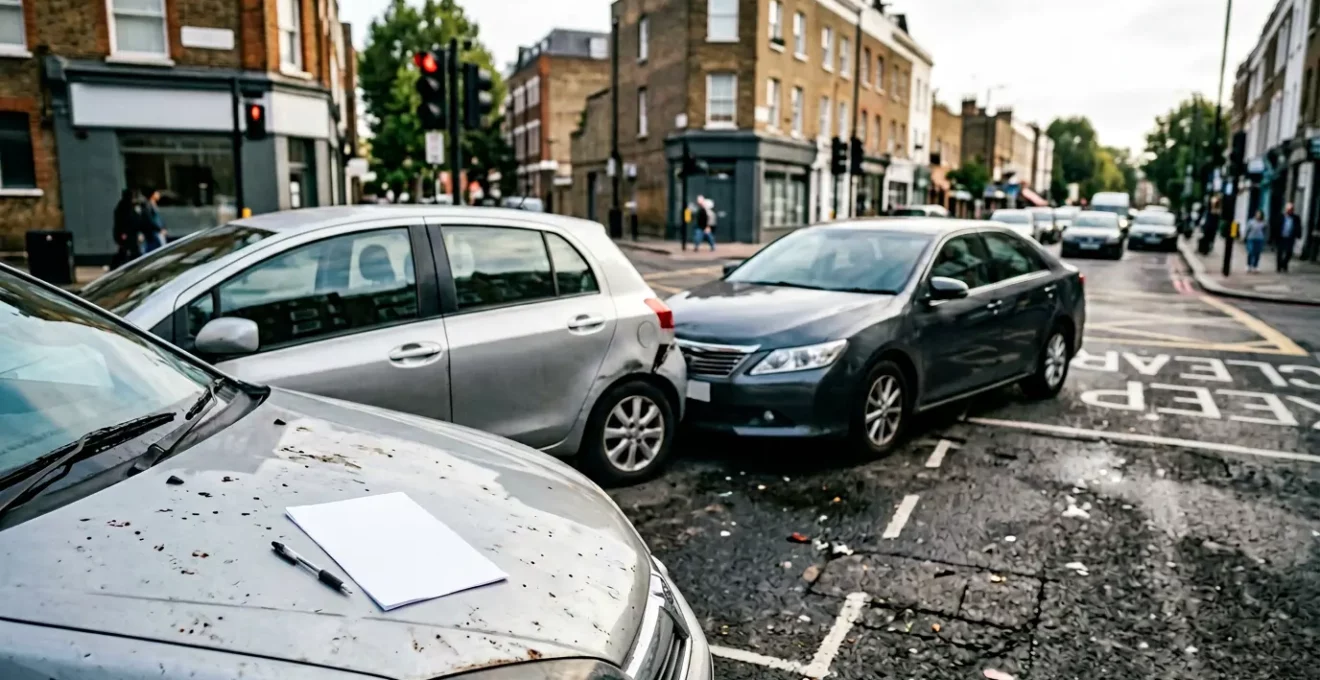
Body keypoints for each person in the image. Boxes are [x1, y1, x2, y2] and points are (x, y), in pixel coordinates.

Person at [111, 189, 142, 267]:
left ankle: (116, 265)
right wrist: (123, 233)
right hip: (127, 234)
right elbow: (123, 221)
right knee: (128, 250)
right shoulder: (124, 207)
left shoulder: (125, 206)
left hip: (129, 233)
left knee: (125, 251)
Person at [140, 187, 166, 253]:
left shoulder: (153, 204)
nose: (159, 194)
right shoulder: (148, 205)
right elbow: (150, 220)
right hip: (154, 233)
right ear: (153, 194)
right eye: (157, 193)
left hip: (157, 232)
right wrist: (159, 229)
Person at [1278, 202, 1298, 272]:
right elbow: (1276, 226)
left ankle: (1284, 264)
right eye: (1289, 209)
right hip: (1281, 237)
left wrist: (1298, 235)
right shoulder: (1281, 217)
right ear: (1286, 209)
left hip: (1290, 237)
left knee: (1289, 252)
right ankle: (1279, 267)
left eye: (1291, 209)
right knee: (1280, 252)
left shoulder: (1295, 218)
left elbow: (1298, 227)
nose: (1290, 211)